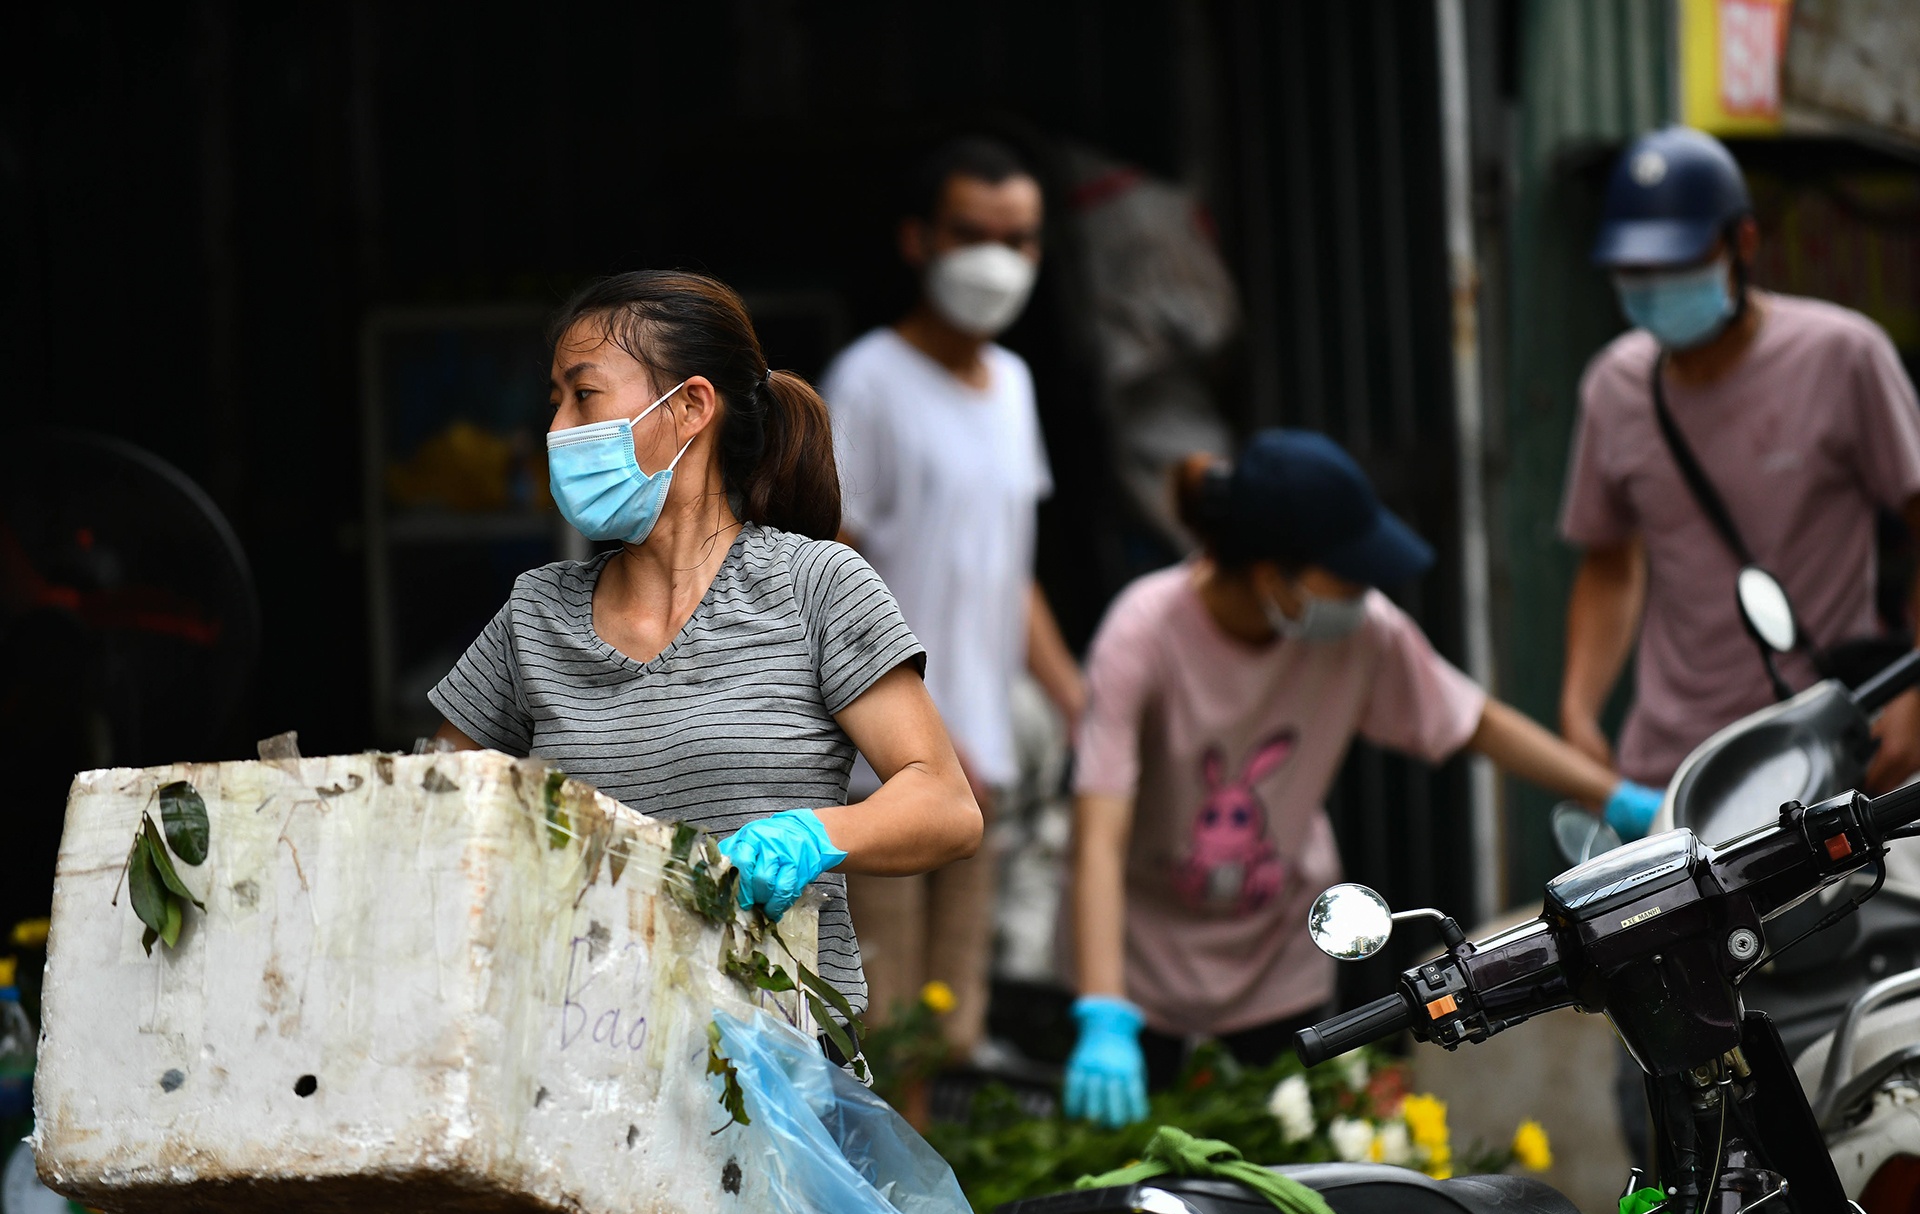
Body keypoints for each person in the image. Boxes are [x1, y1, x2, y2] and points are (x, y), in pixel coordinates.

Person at [1063, 429, 1661, 1128]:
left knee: (1273, 1167)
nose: (1363, 591)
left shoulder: (1362, 631)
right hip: (1139, 962)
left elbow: (1476, 722)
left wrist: (1608, 793)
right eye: (1344, 574)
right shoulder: (1144, 633)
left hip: (1275, 955)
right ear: (1269, 575)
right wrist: (1105, 1011)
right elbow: (1098, 837)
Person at [430, 270, 983, 1020]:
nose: (557, 429)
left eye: (584, 395)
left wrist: (815, 834)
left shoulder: (814, 584)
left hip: (777, 1076)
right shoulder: (536, 614)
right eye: (554, 401)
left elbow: (946, 805)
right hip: (583, 1065)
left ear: (690, 406)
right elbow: (435, 818)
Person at [1560, 126, 1920, 794]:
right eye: (1634, 269)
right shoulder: (1612, 385)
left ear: (1742, 243)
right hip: (1672, 768)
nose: (1653, 284)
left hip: (1820, 749)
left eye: (1675, 262)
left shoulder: (1845, 357)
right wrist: (1579, 709)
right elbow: (1610, 562)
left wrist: (1913, 691)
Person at [823, 136, 1083, 1060]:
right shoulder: (867, 384)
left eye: (1018, 239)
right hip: (882, 775)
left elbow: (1006, 573)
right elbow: (827, 576)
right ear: (917, 241)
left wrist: (1080, 704)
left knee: (948, 1031)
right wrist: (922, 719)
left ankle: (923, 1207)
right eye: (972, 232)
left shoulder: (1012, 385)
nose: (996, 259)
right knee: (875, 1035)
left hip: (983, 776)